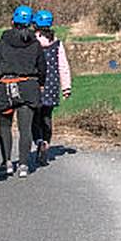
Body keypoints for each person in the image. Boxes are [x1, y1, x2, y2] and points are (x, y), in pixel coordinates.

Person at [0, 7, 45, 178]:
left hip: (6, 86)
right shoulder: (35, 44)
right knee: (25, 128)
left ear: (12, 22)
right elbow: (42, 67)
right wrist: (40, 84)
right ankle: (23, 164)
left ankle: (6, 161)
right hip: (28, 87)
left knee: (5, 126)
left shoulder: (3, 41)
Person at [30, 9, 71, 164]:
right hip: (52, 84)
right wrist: (66, 87)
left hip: (35, 83)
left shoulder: (32, 42)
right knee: (47, 116)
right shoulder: (57, 43)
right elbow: (63, 66)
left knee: (35, 117)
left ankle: (39, 141)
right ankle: (46, 142)